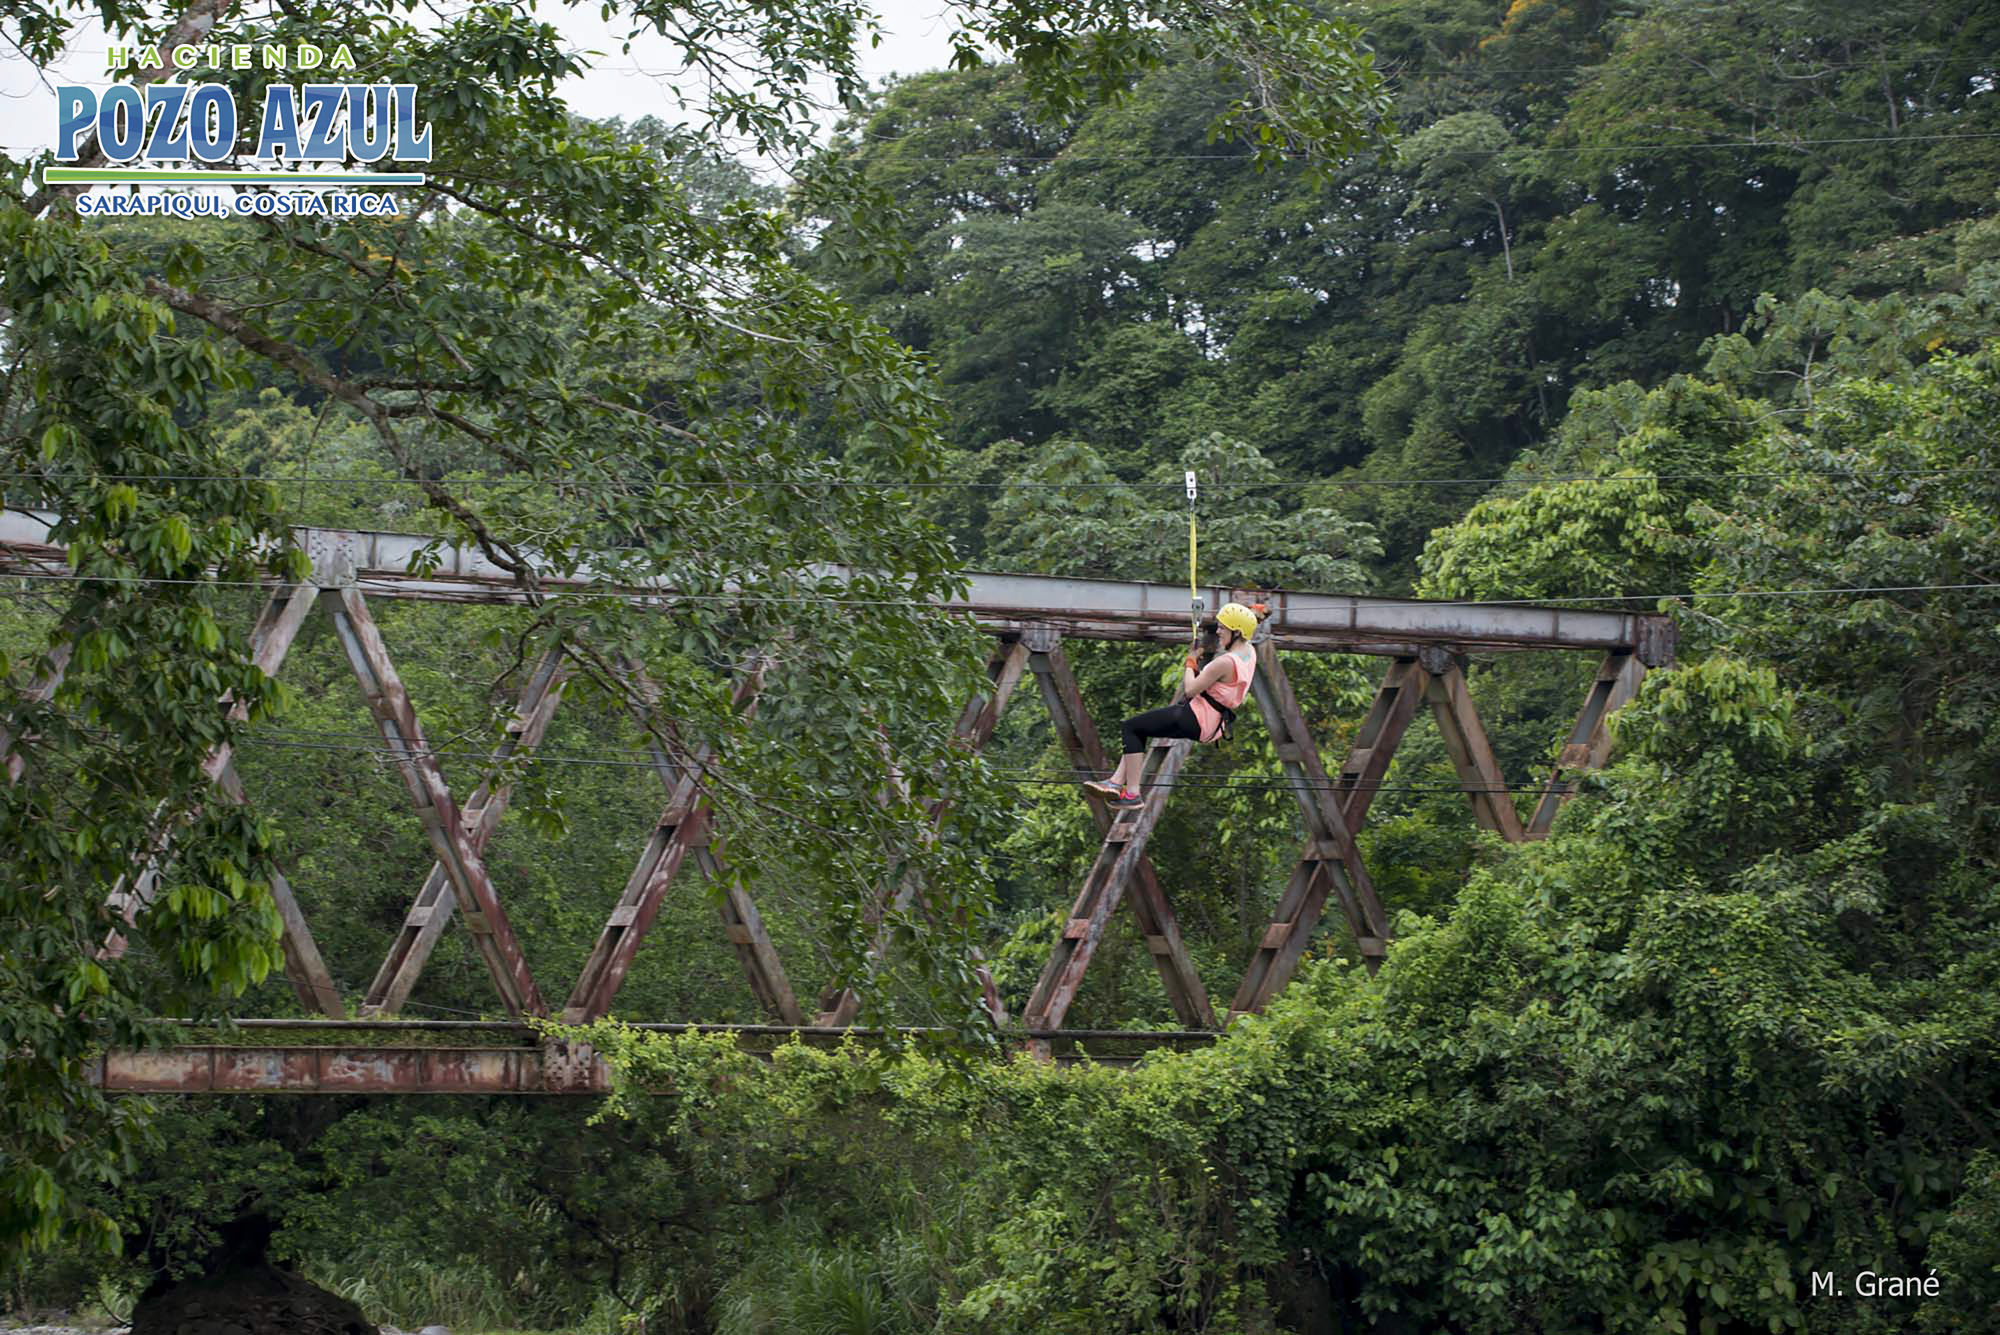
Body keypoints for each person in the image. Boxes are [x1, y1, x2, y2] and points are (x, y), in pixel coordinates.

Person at [1084, 601, 1261, 807]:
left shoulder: (1225, 662)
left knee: (1130, 727)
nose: (1219, 632)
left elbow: (1190, 689)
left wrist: (1191, 662)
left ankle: (1132, 794)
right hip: (1211, 722)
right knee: (1139, 730)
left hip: (1196, 717)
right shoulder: (1249, 653)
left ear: (1237, 632)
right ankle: (1115, 783)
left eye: (1223, 628)